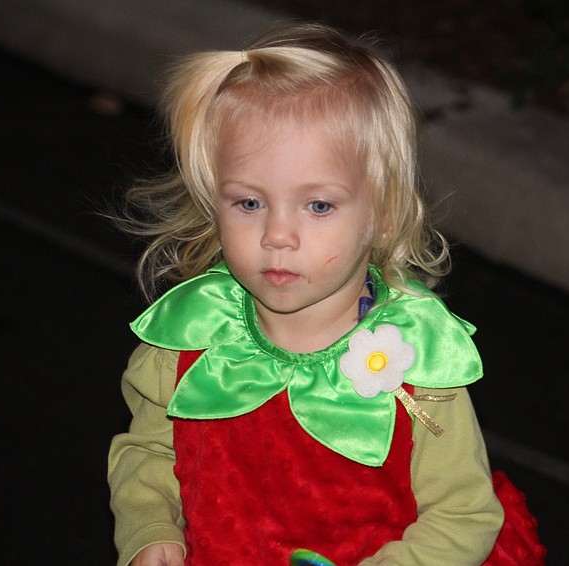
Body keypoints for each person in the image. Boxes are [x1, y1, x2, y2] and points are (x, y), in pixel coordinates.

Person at [108, 23, 544, 566]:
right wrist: (152, 529)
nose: (277, 235)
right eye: (248, 203)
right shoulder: (189, 336)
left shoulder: (414, 359)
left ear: (383, 218)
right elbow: (148, 451)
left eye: (317, 206)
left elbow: (462, 514)